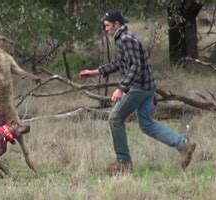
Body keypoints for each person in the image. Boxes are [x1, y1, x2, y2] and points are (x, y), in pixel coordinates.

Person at [78, 9, 196, 175]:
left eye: (106, 26)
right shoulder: (124, 38)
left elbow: (136, 66)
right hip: (146, 88)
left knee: (114, 119)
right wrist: (96, 72)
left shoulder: (125, 39)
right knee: (147, 124)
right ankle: (183, 145)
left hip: (139, 88)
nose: (105, 29)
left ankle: (123, 162)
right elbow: (121, 63)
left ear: (116, 24)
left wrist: (121, 89)